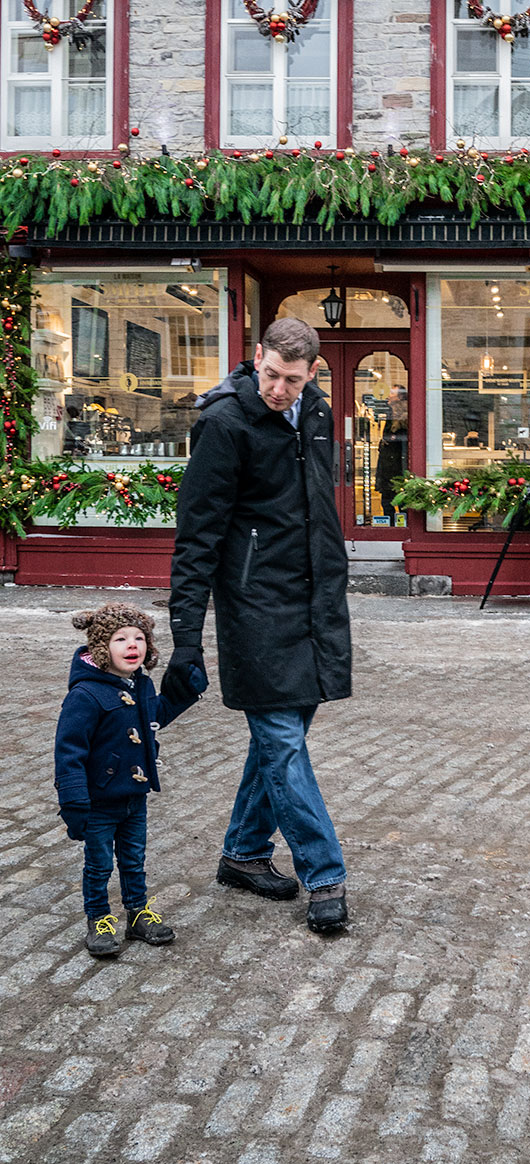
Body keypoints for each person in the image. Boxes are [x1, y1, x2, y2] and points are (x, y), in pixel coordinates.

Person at [161, 316, 352, 935]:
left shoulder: (318, 414)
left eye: (291, 380)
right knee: (284, 742)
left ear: (312, 372)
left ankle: (243, 853)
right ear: (257, 358)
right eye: (271, 374)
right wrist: (187, 637)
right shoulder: (224, 424)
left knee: (279, 739)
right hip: (255, 609)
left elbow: (319, 502)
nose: (278, 389)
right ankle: (325, 874)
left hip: (315, 602)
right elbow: (195, 539)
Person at [54, 601, 205, 959]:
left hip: (134, 797)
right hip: (98, 802)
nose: (132, 645)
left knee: (134, 859)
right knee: (100, 863)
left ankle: (137, 913)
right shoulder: (85, 695)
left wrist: (187, 687)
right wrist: (74, 802)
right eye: (120, 639)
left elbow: (155, 717)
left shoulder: (141, 685)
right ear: (101, 647)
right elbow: (69, 752)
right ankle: (100, 918)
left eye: (139, 638)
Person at [374, 385, 409, 524]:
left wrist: (389, 440)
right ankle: (394, 525)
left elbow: (398, 438)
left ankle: (396, 526)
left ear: (400, 397)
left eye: (392, 393)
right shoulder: (392, 413)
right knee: (391, 499)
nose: (388, 396)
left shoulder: (403, 416)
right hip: (390, 463)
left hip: (397, 464)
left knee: (393, 499)